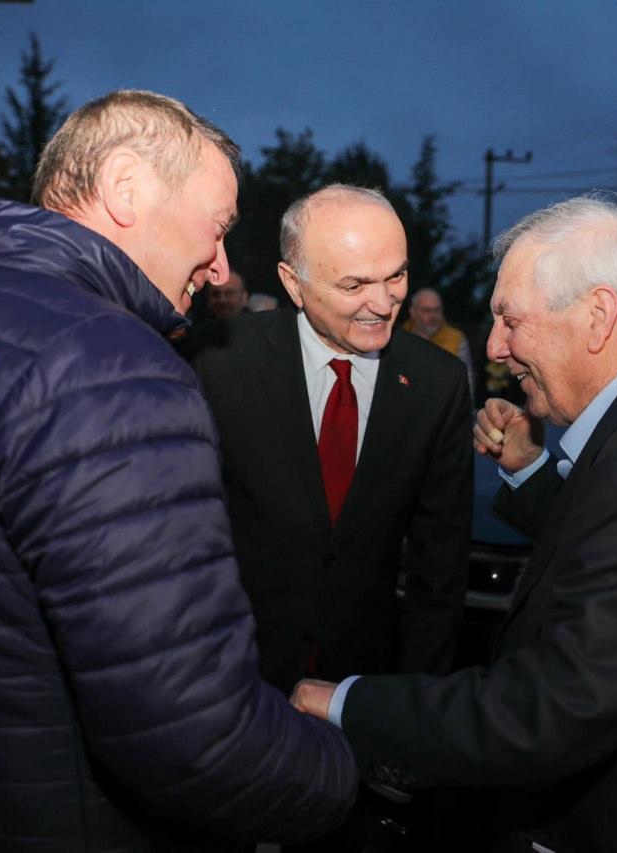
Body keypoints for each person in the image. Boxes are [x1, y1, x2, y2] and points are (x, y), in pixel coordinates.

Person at [0, 89, 356, 850]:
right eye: (217, 229)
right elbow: (193, 736)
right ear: (124, 188)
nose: (220, 268)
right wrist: (340, 770)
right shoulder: (110, 365)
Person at [292, 195, 617, 853]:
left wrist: (347, 704)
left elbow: (555, 707)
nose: (495, 346)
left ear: (597, 315)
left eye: (511, 319)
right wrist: (529, 470)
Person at [187, 184, 472, 847]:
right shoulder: (215, 360)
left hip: (358, 703)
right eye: (354, 284)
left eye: (396, 275)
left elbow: (439, 570)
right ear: (294, 281)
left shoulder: (435, 384)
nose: (383, 302)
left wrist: (408, 722)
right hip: (227, 687)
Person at [403, 287, 473, 396]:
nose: (433, 316)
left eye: (437, 310)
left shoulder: (457, 339)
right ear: (413, 312)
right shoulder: (399, 338)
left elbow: (467, 384)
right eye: (426, 311)